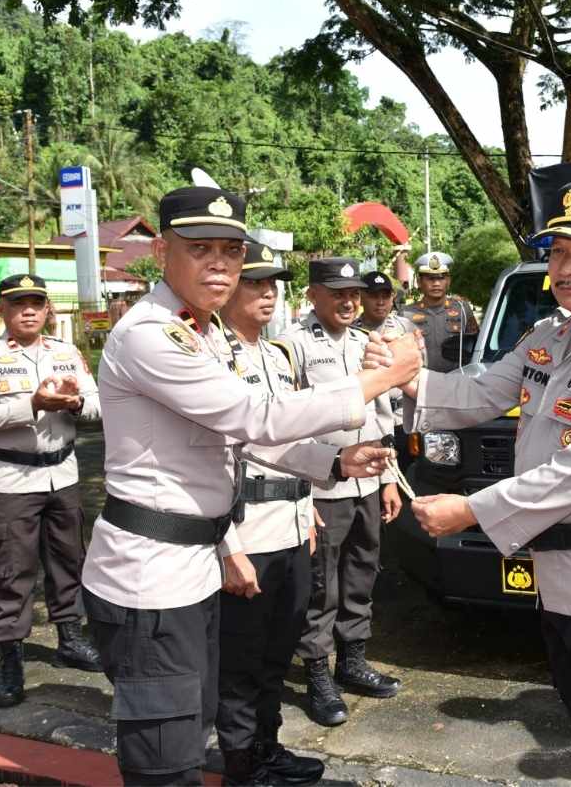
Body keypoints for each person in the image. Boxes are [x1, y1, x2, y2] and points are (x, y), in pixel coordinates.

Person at [80, 186, 418, 786]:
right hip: (150, 575)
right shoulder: (152, 335)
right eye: (200, 247)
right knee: (167, 761)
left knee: (199, 723)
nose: (219, 264)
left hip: (193, 565)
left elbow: (245, 438)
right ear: (162, 250)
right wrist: (380, 381)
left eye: (231, 251)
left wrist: (335, 463)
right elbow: (253, 418)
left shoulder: (202, 333)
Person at [407, 179, 571, 785]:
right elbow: (480, 390)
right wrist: (407, 379)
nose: (567, 267)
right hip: (556, 581)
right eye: (558, 252)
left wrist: (469, 511)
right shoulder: (551, 335)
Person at [213, 243, 351, 786]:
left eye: (274, 283)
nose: (268, 293)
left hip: (292, 523)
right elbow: (214, 459)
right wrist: (227, 547)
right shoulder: (210, 357)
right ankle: (241, 766)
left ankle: (267, 749)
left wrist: (313, 498)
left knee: (275, 654)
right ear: (229, 290)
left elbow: (295, 439)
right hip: (244, 531)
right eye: (255, 283)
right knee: (241, 662)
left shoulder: (280, 356)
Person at [0, 274, 105, 708]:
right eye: (18, 303)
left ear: (47, 310)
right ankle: (9, 656)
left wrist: (76, 403)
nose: (28, 310)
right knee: (10, 569)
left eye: (36, 303)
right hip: (10, 480)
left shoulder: (65, 353)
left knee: (68, 561)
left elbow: (98, 405)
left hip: (62, 475)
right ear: (1, 310)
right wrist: (34, 405)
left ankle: (69, 638)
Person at [284, 258, 402, 728]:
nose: (350, 301)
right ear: (313, 295)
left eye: (354, 293)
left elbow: (383, 411)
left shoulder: (367, 343)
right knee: (321, 584)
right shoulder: (292, 347)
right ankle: (317, 672)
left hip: (369, 481)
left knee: (362, 571)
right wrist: (301, 495)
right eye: (337, 293)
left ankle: (351, 662)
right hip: (322, 485)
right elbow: (285, 426)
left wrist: (389, 478)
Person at [355, 270, 418, 449]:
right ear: (361, 297)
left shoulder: (406, 328)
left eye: (386, 295)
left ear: (393, 297)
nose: (381, 302)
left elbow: (420, 370)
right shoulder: (351, 332)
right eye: (374, 296)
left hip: (403, 418)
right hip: (369, 421)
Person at [401, 252, 479, 372]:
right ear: (419, 282)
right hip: (421, 383)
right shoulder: (406, 314)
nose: (436, 283)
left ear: (448, 281)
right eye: (430, 278)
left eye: (441, 277)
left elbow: (476, 346)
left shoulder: (463, 309)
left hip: (456, 380)